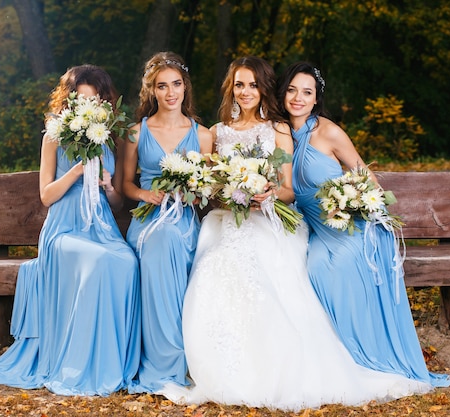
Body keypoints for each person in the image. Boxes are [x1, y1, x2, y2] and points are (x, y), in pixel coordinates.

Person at [159, 56, 434, 412]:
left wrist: (266, 194)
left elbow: (288, 189)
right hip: (231, 219)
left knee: (269, 265)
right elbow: (211, 188)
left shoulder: (280, 129)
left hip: (276, 218)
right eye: (239, 84)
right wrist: (227, 191)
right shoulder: (218, 131)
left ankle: (288, 362)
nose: (246, 91)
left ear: (264, 89)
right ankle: (223, 365)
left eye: (253, 85)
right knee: (214, 264)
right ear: (231, 88)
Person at [0, 65, 141, 396]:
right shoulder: (55, 136)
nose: (88, 106)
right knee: (97, 262)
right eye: (81, 100)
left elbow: (117, 205)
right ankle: (78, 360)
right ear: (69, 102)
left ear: (105, 104)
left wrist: (109, 186)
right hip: (64, 232)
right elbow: (46, 195)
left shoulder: (111, 139)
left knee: (125, 262)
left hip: (102, 229)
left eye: (94, 101)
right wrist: (77, 172)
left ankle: (110, 361)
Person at [281, 61, 450, 388]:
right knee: (310, 268)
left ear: (316, 99)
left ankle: (361, 356)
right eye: (292, 90)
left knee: (328, 271)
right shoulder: (282, 135)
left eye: (307, 92)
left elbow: (365, 175)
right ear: (283, 92)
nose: (298, 98)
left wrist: (352, 201)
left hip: (351, 228)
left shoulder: (327, 131)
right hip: (318, 232)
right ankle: (331, 355)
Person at [122, 51, 213, 394]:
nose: (170, 92)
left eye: (176, 84)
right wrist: (145, 196)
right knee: (162, 240)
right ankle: (165, 360)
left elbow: (209, 187)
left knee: (174, 238)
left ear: (185, 87)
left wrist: (192, 192)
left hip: (185, 219)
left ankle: (180, 354)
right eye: (162, 86)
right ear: (152, 91)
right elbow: (125, 186)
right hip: (148, 218)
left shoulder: (203, 136)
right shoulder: (136, 132)